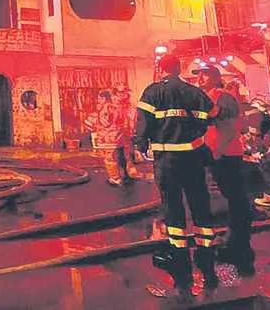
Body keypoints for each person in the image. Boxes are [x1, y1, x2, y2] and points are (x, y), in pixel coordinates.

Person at [135, 53, 219, 301]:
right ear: (180, 69)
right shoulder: (194, 92)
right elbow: (213, 114)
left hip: (166, 160)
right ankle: (207, 264)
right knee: (200, 206)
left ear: (160, 68)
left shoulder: (152, 92)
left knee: (173, 209)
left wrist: (141, 144)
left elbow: (143, 124)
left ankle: (182, 269)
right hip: (193, 157)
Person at [196, 65, 255, 276]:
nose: (201, 78)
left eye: (205, 74)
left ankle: (239, 243)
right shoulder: (209, 97)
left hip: (226, 154)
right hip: (215, 153)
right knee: (231, 196)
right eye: (199, 75)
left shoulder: (223, 98)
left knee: (235, 197)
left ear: (216, 77)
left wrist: (218, 151)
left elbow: (231, 127)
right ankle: (235, 239)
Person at [94, 90, 140, 186]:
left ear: (103, 98)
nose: (98, 101)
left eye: (99, 99)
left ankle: (115, 178)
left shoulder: (105, 109)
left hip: (109, 138)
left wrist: (96, 124)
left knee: (110, 159)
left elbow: (104, 123)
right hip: (120, 137)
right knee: (122, 156)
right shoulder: (118, 108)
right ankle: (126, 174)